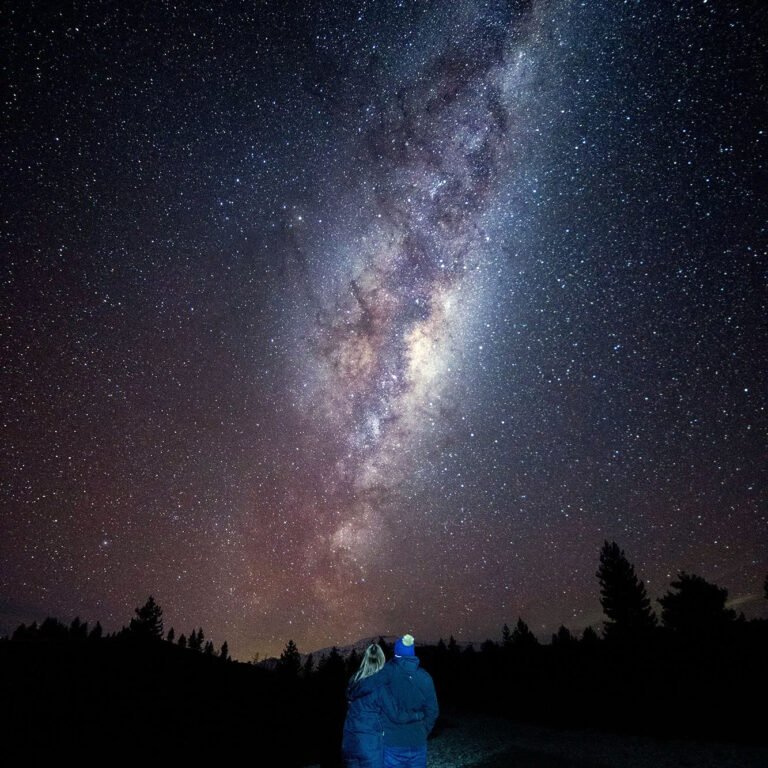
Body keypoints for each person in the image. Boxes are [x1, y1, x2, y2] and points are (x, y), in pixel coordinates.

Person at [342, 643, 425, 768]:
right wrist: (419, 715)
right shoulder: (380, 686)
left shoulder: (354, 681)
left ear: (365, 660)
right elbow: (396, 716)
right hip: (370, 745)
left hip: (348, 743)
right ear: (382, 661)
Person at [380, 634, 439, 768]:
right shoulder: (425, 677)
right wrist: (423, 731)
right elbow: (433, 710)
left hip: (392, 742)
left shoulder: (385, 676)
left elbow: (377, 706)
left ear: (396, 654)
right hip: (417, 741)